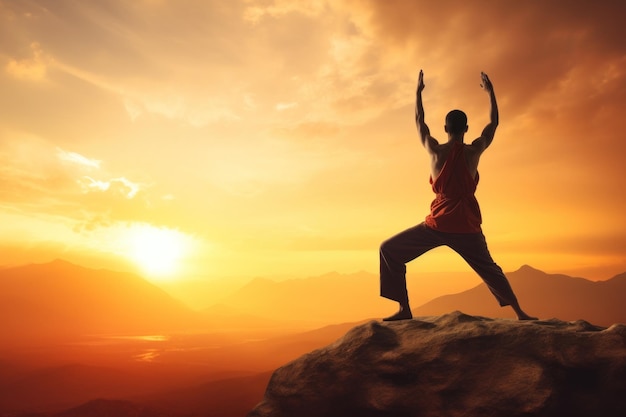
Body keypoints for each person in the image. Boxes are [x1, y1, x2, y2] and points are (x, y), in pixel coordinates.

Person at [379, 70, 536, 321]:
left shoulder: (434, 151)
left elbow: (419, 121)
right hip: (466, 226)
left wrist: (418, 93)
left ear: (445, 128)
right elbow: (493, 124)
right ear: (466, 128)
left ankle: (403, 309)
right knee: (489, 269)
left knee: (389, 249)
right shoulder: (474, 151)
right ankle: (520, 313)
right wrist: (490, 92)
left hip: (438, 224)